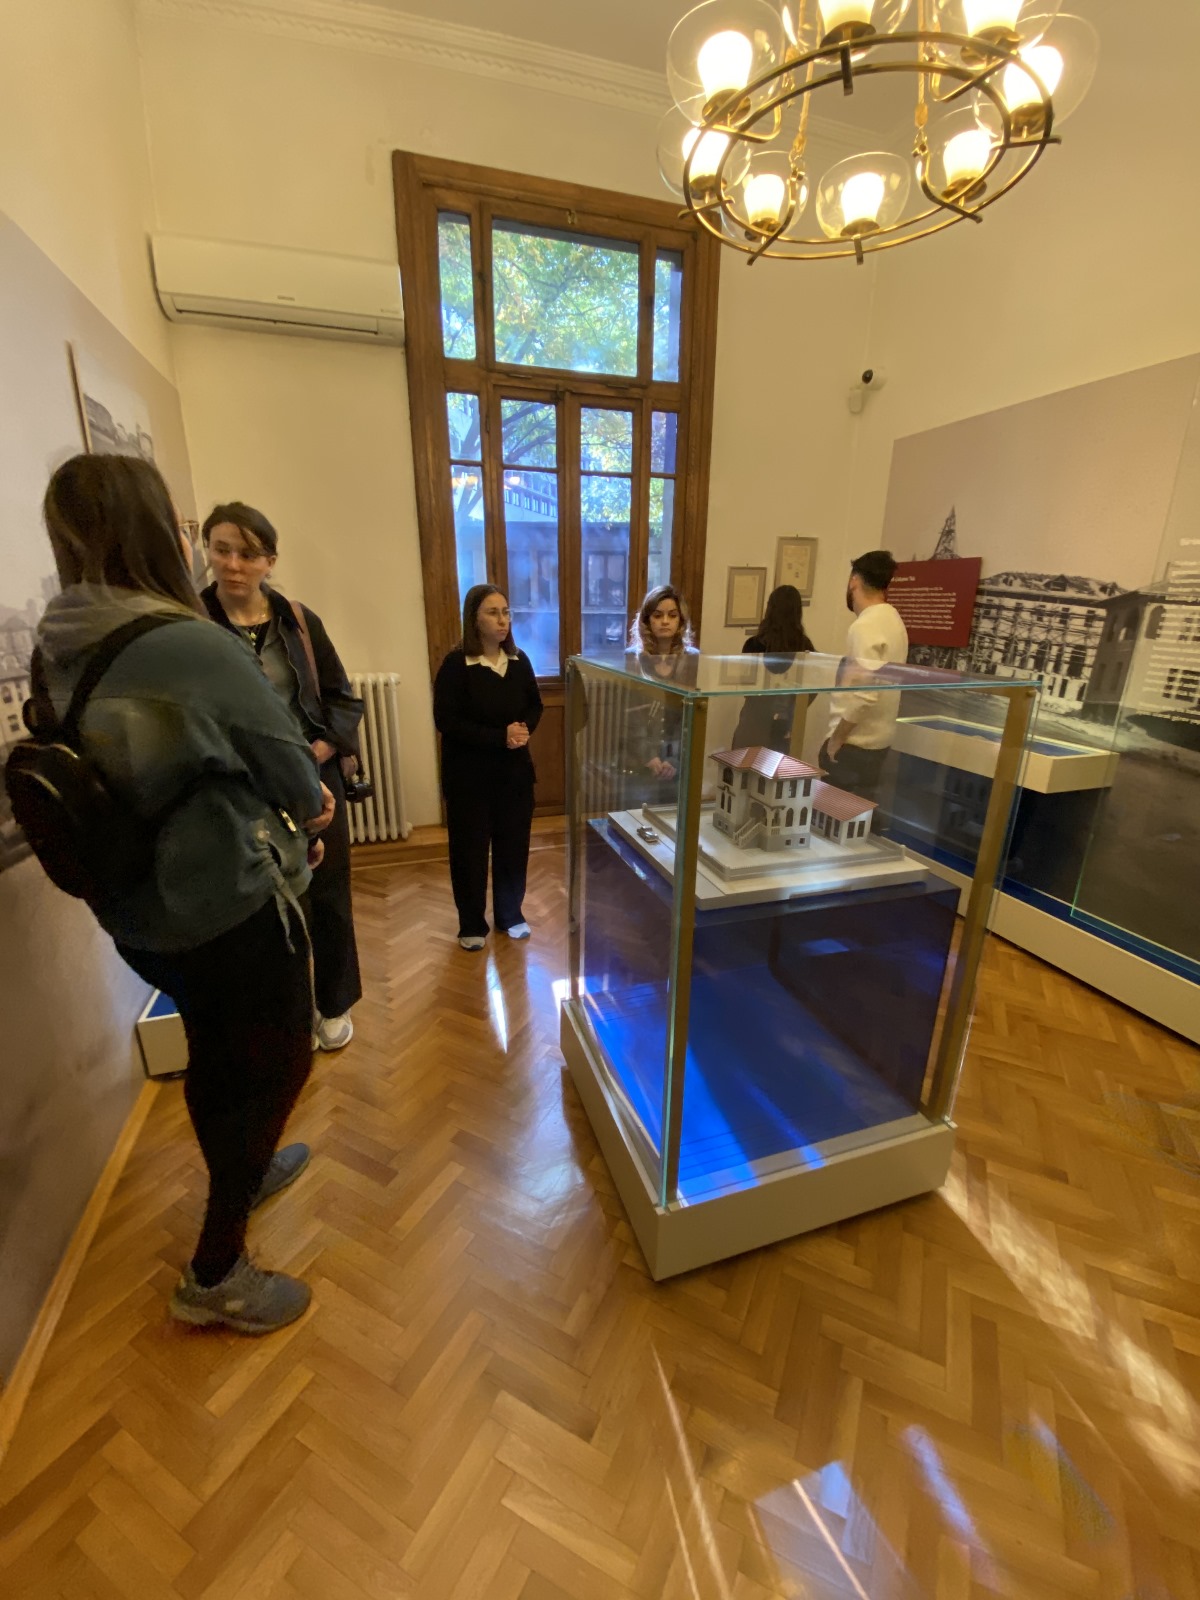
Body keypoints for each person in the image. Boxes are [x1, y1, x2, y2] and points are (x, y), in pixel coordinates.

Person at [34, 454, 333, 1335]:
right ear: (153, 532)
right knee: (280, 1061)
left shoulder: (59, 639)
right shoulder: (187, 643)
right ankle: (215, 1271)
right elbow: (293, 772)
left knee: (213, 1051)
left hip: (136, 912)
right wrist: (307, 810)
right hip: (224, 907)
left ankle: (249, 1164)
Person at [200, 503, 363, 1052]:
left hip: (315, 776)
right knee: (265, 904)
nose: (233, 564)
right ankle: (287, 1013)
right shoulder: (191, 623)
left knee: (329, 895)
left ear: (269, 560)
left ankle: (333, 1004)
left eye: (248, 554)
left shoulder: (298, 620)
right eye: (222, 549)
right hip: (238, 789)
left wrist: (323, 747)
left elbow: (342, 698)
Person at [434, 584, 543, 951]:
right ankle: (471, 922)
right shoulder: (456, 665)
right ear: (474, 619)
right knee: (470, 851)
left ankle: (510, 914)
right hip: (469, 778)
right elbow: (447, 721)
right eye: (493, 613)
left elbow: (535, 705)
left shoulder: (519, 660)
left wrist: (523, 730)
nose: (502, 620)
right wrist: (500, 736)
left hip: (514, 774)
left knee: (513, 846)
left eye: (506, 612)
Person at [820, 548, 909, 802]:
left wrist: (837, 738)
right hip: (879, 741)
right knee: (859, 815)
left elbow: (865, 693)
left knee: (832, 814)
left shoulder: (865, 626)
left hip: (854, 743)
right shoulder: (894, 620)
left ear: (854, 580)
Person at [623, 583, 699, 806]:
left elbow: (691, 716)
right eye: (658, 615)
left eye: (672, 615)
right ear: (647, 620)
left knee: (672, 816)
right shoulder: (633, 658)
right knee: (636, 817)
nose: (665, 621)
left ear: (680, 620)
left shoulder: (692, 659)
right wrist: (648, 756)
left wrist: (673, 759)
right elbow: (629, 713)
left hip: (676, 758)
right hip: (638, 757)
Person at [733, 583, 816, 753]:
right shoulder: (805, 647)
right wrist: (793, 710)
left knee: (745, 767)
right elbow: (813, 688)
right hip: (785, 725)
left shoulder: (754, 645)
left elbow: (746, 688)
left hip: (754, 721)